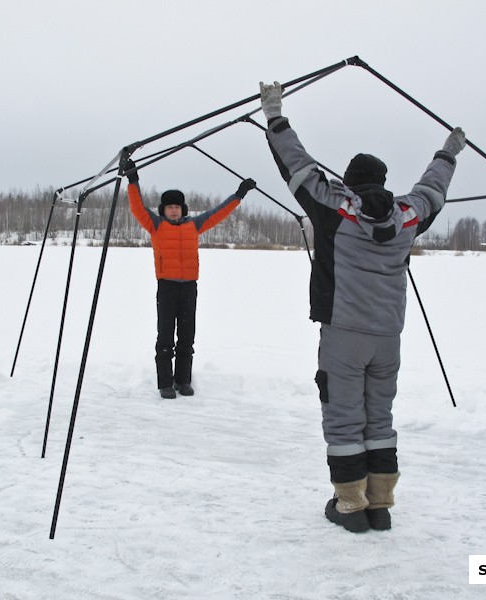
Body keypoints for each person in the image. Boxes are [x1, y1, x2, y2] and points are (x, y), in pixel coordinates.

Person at [258, 81, 466, 532]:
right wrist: (449, 151)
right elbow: (434, 188)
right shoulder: (407, 215)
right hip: (388, 337)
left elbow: (296, 163)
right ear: (383, 183)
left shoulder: (336, 207)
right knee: (380, 416)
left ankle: (351, 505)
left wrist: (274, 114)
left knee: (344, 415)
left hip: (344, 334)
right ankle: (381, 504)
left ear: (350, 181)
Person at [124, 158, 256, 399]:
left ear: (182, 209)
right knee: (165, 335)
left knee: (187, 335)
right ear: (163, 210)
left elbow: (219, 213)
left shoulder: (194, 225)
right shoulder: (155, 226)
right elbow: (137, 208)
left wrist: (239, 195)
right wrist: (133, 180)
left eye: (177, 206)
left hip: (189, 288)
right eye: (169, 207)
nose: (173, 210)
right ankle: (165, 383)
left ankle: (183, 381)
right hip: (167, 287)